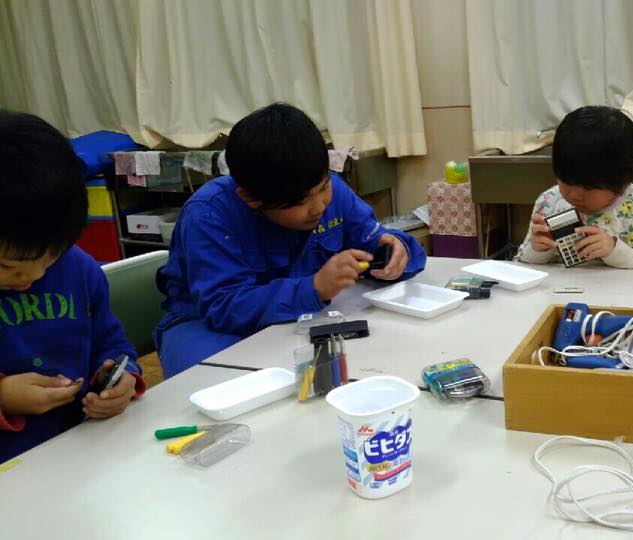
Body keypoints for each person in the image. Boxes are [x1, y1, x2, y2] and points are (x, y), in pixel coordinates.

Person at [155, 103, 425, 377]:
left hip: (301, 315)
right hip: (205, 324)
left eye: (323, 187)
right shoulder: (208, 214)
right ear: (250, 199)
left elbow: (374, 239)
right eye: (299, 201)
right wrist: (313, 289)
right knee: (224, 385)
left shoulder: (329, 188)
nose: (319, 207)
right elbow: (224, 306)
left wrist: (398, 251)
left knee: (364, 365)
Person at [0, 111, 143, 462]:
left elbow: (111, 342)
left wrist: (121, 375)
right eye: (7, 267)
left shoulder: (79, 268)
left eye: (51, 258)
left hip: (80, 448)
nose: (32, 277)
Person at [515, 106, 633, 269]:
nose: (574, 195)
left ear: (622, 181)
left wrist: (615, 251)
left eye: (588, 188)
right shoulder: (549, 202)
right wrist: (537, 251)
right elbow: (519, 266)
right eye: (566, 181)